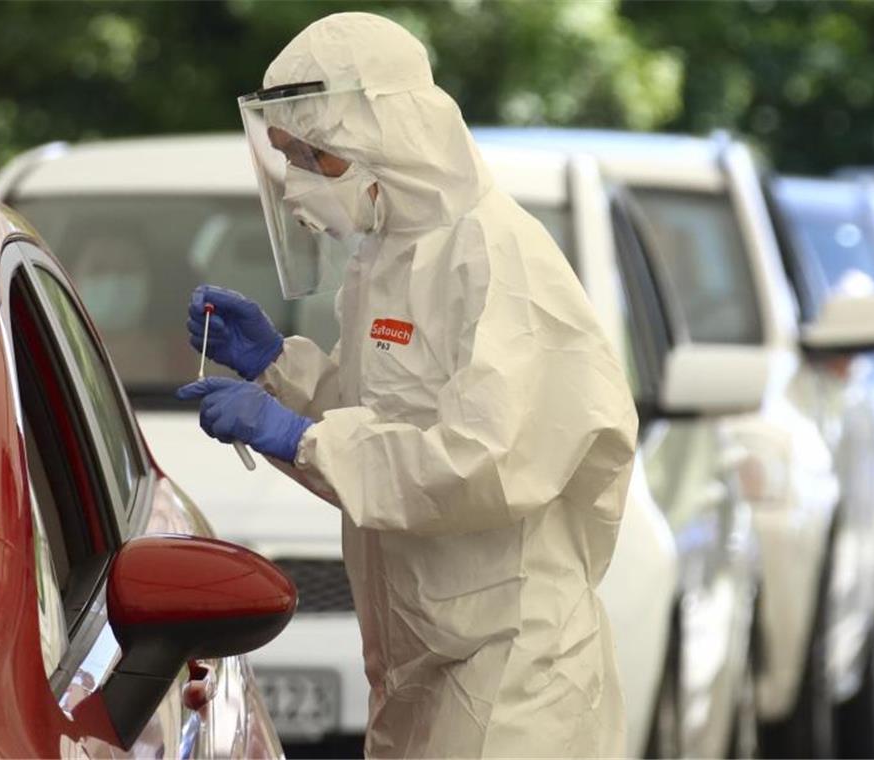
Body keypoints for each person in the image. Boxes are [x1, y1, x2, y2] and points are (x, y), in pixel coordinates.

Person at [177, 12, 638, 758]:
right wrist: (279, 371)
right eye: (289, 155)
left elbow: (478, 462)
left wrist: (298, 436)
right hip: (417, 667)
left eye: (317, 155)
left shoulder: (498, 263)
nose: (299, 181)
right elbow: (383, 425)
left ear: (389, 136)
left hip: (512, 677)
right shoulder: (386, 258)